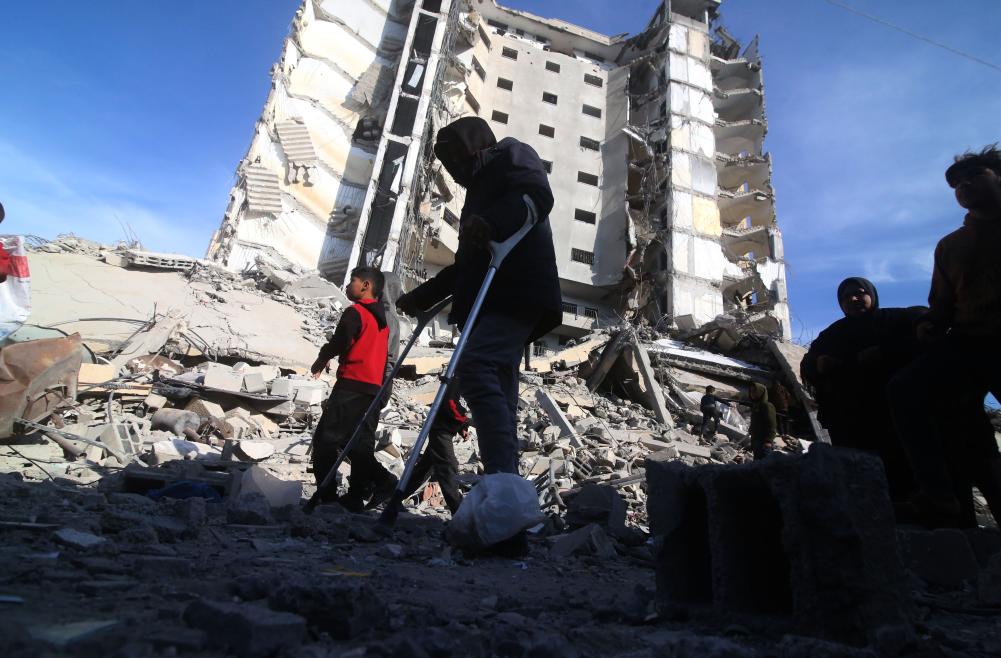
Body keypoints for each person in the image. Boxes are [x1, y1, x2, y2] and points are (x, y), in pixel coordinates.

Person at [395, 117, 560, 478]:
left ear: (472, 146)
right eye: (447, 165)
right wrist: (420, 297)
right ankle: (505, 484)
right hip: (494, 301)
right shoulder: (476, 194)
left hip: (516, 292)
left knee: (476, 365)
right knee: (500, 387)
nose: (453, 172)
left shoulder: (511, 154)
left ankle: (501, 479)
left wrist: (492, 222)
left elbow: (536, 195)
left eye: (455, 160)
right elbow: (466, 266)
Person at [887, 144, 1001, 527]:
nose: (964, 186)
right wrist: (929, 324)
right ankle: (938, 495)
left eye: (975, 176)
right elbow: (942, 303)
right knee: (906, 389)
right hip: (970, 343)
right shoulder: (950, 246)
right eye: (957, 184)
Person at [800, 278, 925, 502]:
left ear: (872, 295)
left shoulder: (894, 319)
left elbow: (925, 324)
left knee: (903, 476)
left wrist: (884, 352)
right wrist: (818, 363)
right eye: (845, 297)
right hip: (849, 421)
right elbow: (807, 364)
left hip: (893, 416)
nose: (853, 299)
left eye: (859, 293)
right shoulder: (833, 334)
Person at [310, 266, 397, 513]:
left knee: (325, 442)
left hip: (351, 385)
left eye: (352, 281)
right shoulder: (383, 322)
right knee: (357, 444)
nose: (348, 286)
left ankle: (327, 497)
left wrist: (322, 358)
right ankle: (374, 485)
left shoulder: (355, 312)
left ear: (366, 286)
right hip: (373, 389)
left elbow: (340, 341)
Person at [747, 383, 777, 460]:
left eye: (754, 391)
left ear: (760, 392)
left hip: (763, 442)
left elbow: (772, 424)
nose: (752, 393)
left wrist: (769, 441)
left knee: (763, 464)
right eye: (751, 391)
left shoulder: (767, 406)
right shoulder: (756, 405)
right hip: (756, 440)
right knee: (757, 463)